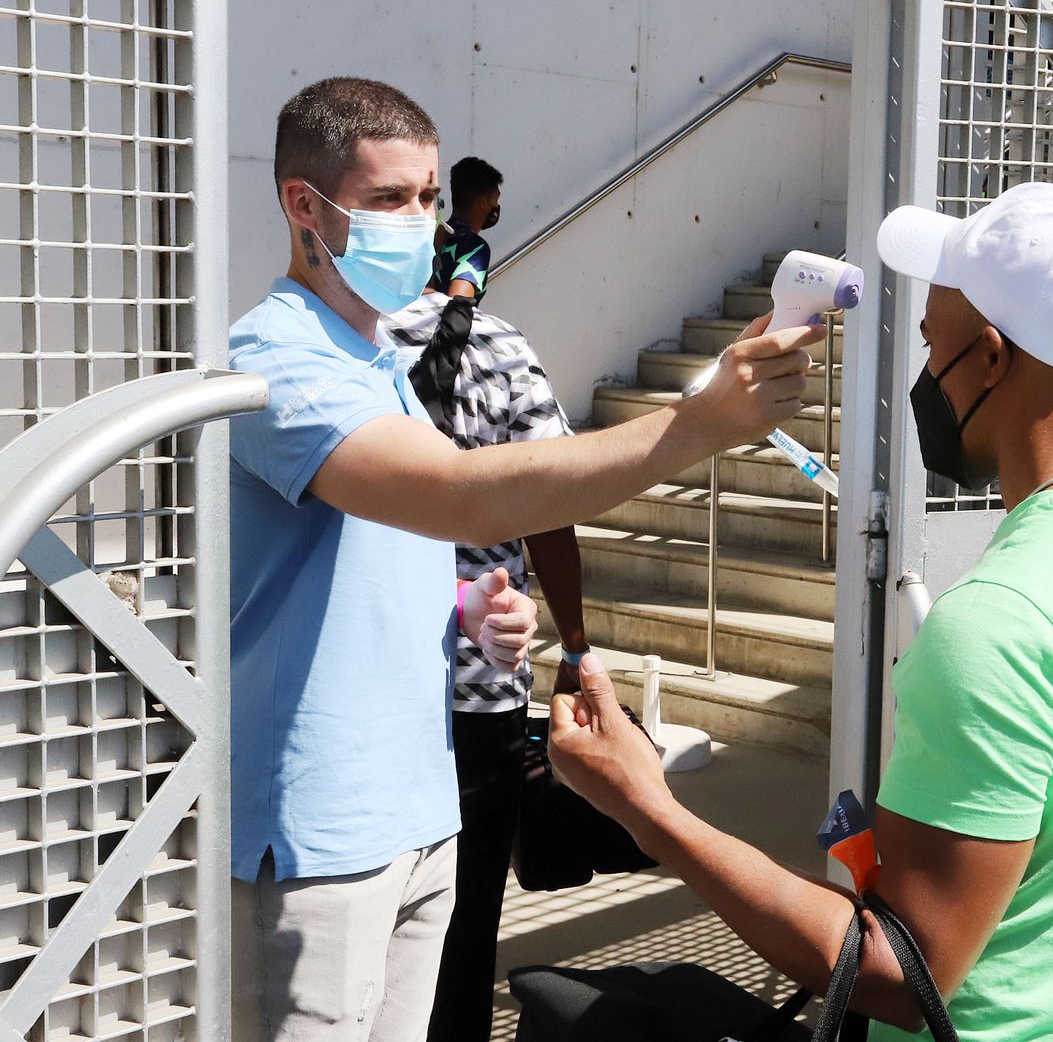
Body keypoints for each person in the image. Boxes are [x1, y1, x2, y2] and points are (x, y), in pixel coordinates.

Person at [548, 182, 1053, 1041]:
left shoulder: (1000, 621)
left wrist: (646, 805)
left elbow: (897, 973)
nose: (923, 369)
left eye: (930, 342)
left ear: (989, 358)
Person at [227, 76, 822, 1042]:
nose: (420, 223)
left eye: (428, 196)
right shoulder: (277, 357)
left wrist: (467, 604)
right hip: (319, 839)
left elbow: (381, 533)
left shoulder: (376, 359)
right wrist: (694, 425)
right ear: (305, 205)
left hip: (422, 816)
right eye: (389, 199)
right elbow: (456, 492)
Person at [386, 289, 589, 1042]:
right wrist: (576, 647)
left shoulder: (357, 339)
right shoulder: (503, 348)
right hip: (482, 683)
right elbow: (551, 509)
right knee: (465, 922)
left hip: (371, 678)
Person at [430, 155, 501, 302]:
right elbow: (456, 306)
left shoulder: (435, 235)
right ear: (483, 202)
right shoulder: (474, 248)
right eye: (496, 199)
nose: (497, 206)